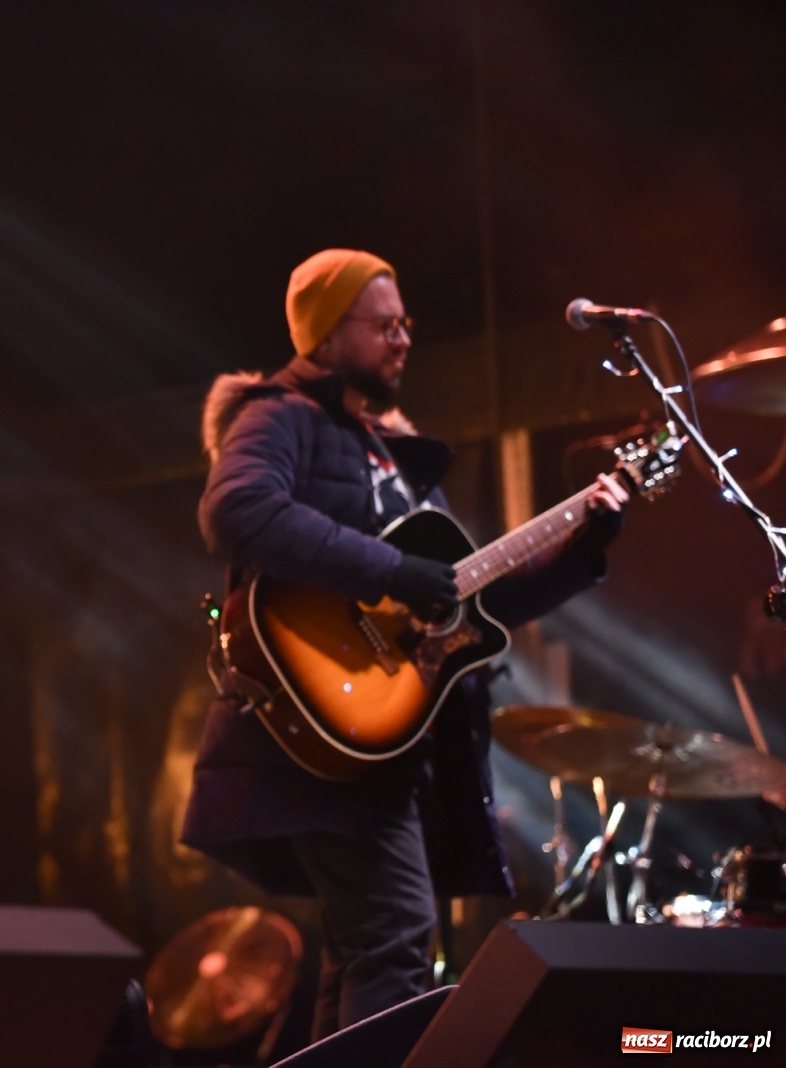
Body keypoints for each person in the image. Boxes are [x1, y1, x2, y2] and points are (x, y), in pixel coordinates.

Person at [181, 249, 627, 1038]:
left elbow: (468, 599)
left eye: (406, 325)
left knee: (366, 949)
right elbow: (238, 511)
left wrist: (582, 548)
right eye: (383, 324)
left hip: (376, 740)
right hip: (316, 728)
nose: (403, 339)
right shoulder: (278, 416)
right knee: (393, 933)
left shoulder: (390, 450)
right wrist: (393, 570)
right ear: (324, 336)